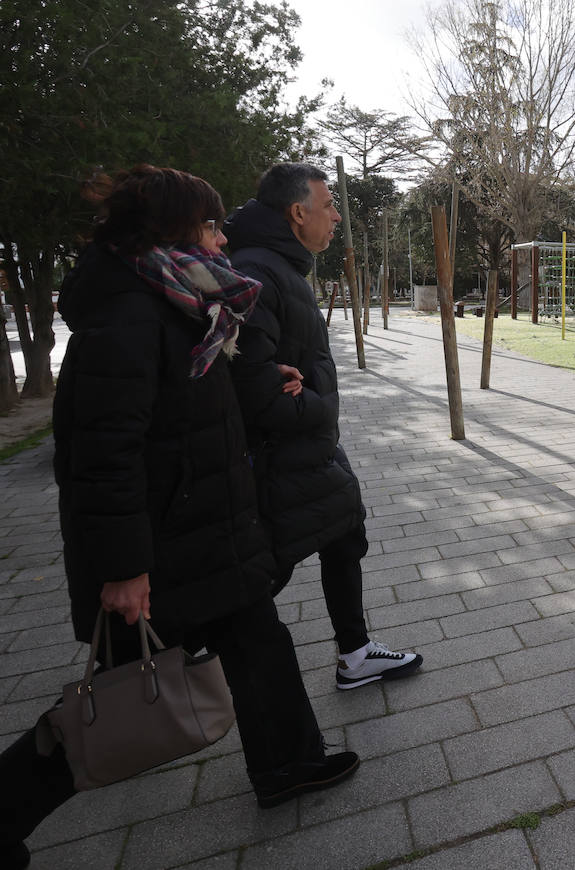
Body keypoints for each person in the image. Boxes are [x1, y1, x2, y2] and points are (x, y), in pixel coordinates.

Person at [0, 166, 359, 870]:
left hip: (205, 533)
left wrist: (267, 380)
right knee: (112, 694)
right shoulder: (131, 314)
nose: (223, 238)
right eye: (211, 225)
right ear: (173, 231)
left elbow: (184, 399)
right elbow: (104, 454)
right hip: (163, 550)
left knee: (259, 644)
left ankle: (290, 764)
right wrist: (124, 568)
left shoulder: (173, 297)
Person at [224, 163, 421, 690]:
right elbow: (249, 384)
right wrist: (316, 406)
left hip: (303, 442)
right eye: (329, 205)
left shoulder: (278, 266)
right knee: (266, 568)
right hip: (278, 449)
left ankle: (355, 653)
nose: (336, 216)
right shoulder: (258, 272)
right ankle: (178, 653)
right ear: (297, 211)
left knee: (342, 528)